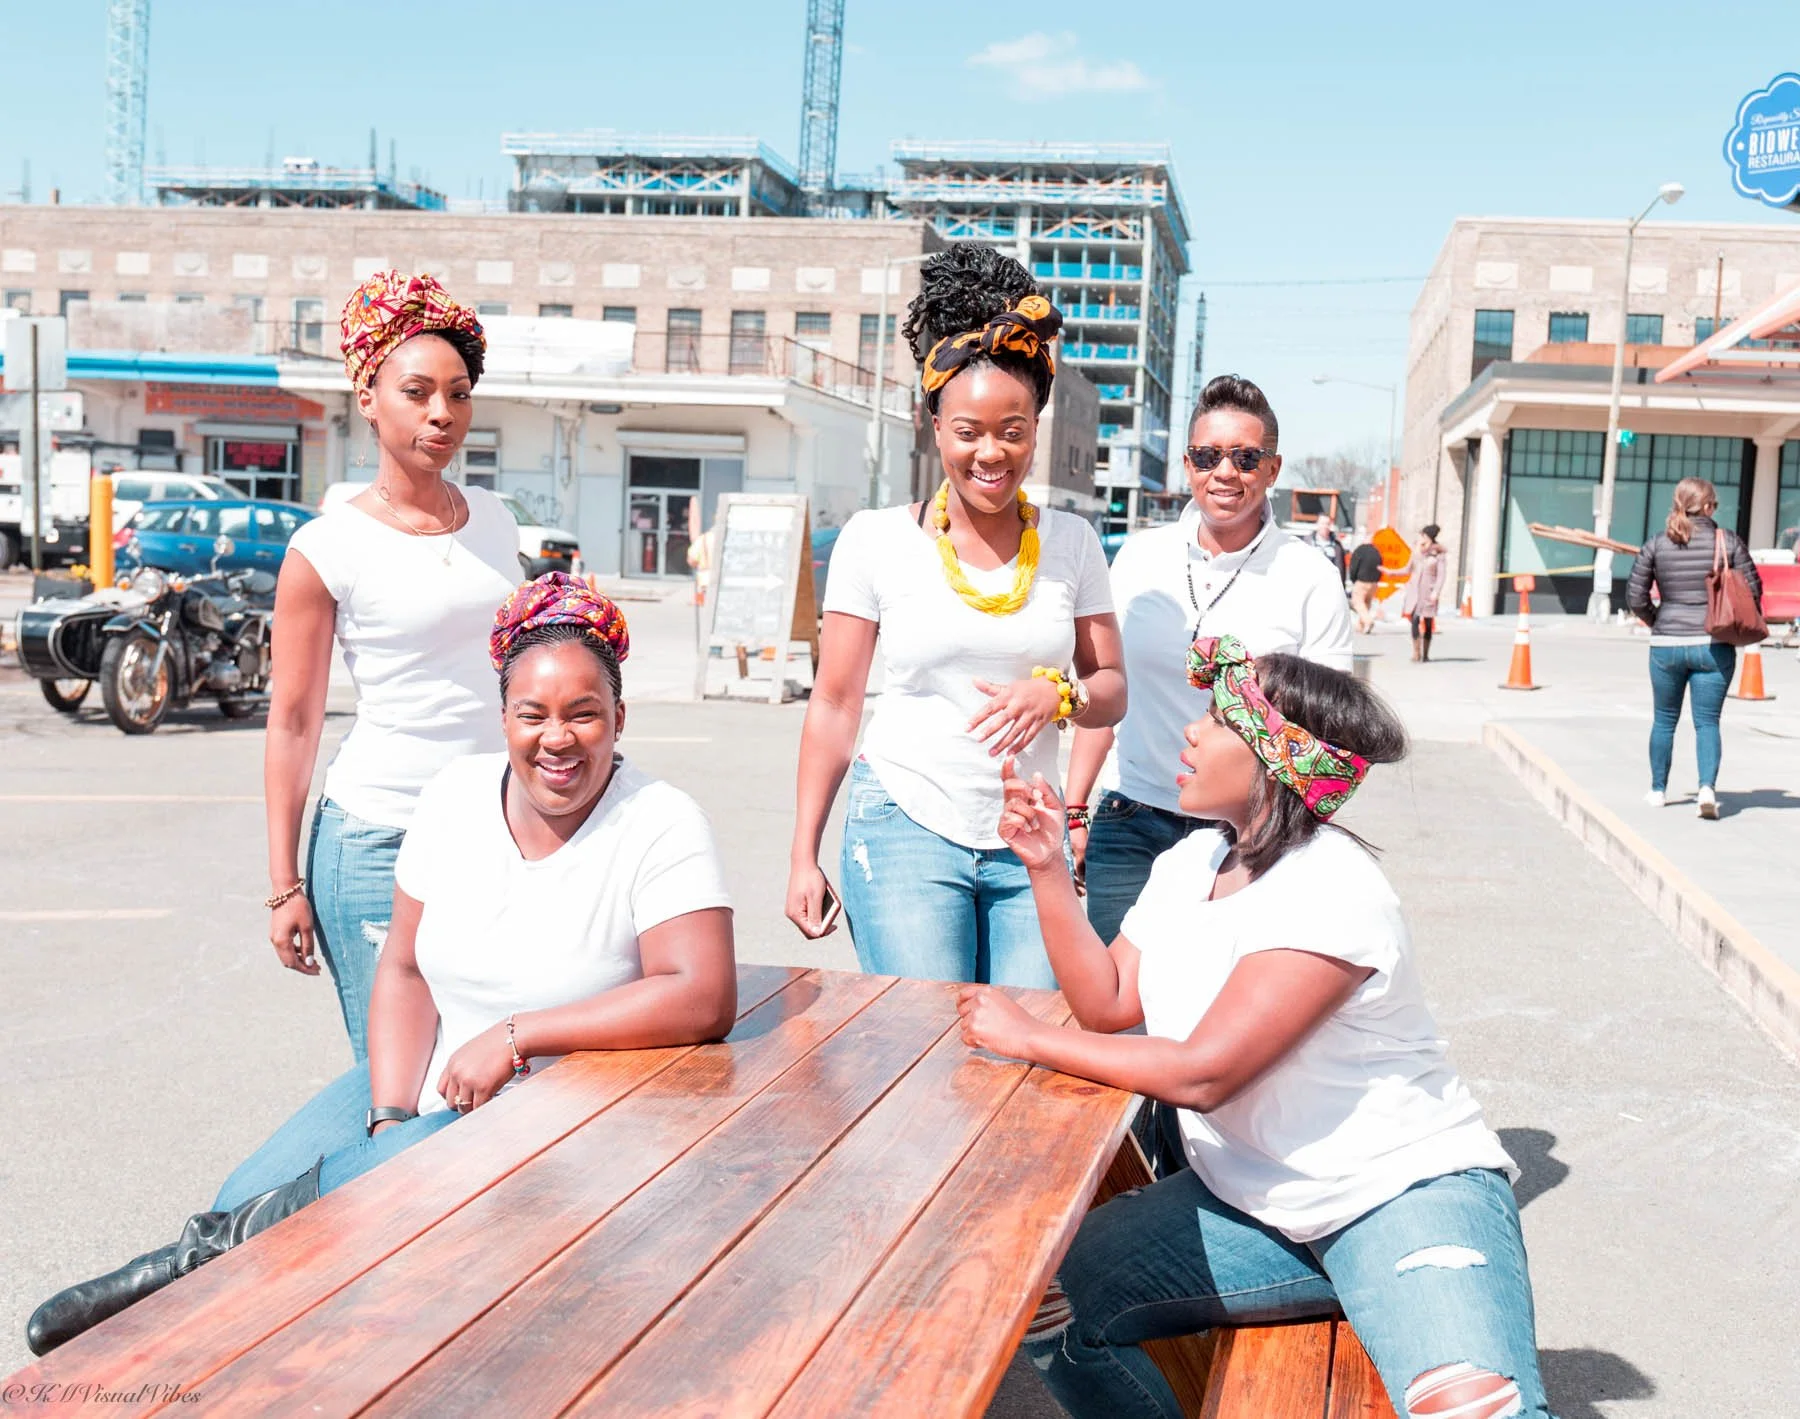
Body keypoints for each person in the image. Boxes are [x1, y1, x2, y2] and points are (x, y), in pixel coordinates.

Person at [27, 575, 738, 1356]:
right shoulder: (454, 796)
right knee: (254, 1196)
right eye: (532, 714)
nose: (557, 738)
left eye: (583, 713)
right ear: (503, 717)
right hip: (433, 1086)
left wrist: (519, 1034)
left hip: (564, 1117)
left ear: (619, 717)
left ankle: (178, 1286)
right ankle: (207, 1264)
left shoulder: (661, 821)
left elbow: (701, 992)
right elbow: (402, 970)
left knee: (301, 1230)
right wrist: (391, 1115)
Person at [956, 637, 1548, 1419]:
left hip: (1399, 1197)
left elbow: (1205, 1073)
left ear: (1277, 758)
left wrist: (1027, 1036)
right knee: (1043, 1292)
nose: (1191, 732)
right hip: (1252, 1207)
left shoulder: (1335, 886)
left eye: (1218, 719)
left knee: (1471, 1407)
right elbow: (1107, 1000)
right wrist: (1043, 868)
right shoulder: (1193, 860)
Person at [784, 243, 1124, 987]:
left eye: (1014, 429)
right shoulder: (875, 541)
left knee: (1025, 1061)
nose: (991, 453)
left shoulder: (1072, 543)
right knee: (924, 1053)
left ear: (1037, 426)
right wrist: (802, 852)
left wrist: (1058, 693)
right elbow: (837, 704)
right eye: (968, 431)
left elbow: (1112, 688)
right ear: (933, 423)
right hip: (904, 822)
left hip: (1029, 833)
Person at [266, 271, 524, 1061]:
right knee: (399, 1079)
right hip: (379, 836)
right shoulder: (325, 548)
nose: (442, 413)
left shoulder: (496, 519)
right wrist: (284, 883)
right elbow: (296, 720)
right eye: (417, 391)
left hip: (498, 830)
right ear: (368, 397)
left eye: (458, 392)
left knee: (495, 1061)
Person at [1064, 374, 1352, 947]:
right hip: (1131, 822)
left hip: (1247, 834)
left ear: (1272, 469)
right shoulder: (1139, 558)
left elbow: (1328, 730)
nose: (1226, 472)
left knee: (1215, 1015)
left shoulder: (1310, 577)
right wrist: (1076, 806)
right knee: (1118, 1009)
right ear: (1187, 463)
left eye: (1246, 458)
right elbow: (1109, 689)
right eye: (1208, 455)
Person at [1627, 477, 1762, 819]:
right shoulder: (1726, 541)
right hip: (1713, 644)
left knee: (1664, 721)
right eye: (1714, 504)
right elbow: (1754, 589)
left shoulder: (1656, 544)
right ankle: (1706, 788)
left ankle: (1658, 790)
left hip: (1666, 645)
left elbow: (1634, 597)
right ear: (1707, 507)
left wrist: (1659, 621)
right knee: (1707, 722)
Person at [1401, 523, 1447, 662]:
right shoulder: (1417, 551)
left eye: (1423, 535)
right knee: (1414, 619)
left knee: (1427, 622)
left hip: (1428, 592)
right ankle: (1416, 652)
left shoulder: (1438, 554)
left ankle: (1426, 653)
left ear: (1429, 537)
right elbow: (1407, 568)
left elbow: (1441, 575)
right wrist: (1389, 572)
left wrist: (1436, 592)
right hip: (1415, 592)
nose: (1421, 538)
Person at [1347, 536, 1384, 633]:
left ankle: (1368, 621)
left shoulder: (1360, 550)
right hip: (1374, 583)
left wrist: (1353, 578)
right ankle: (1361, 626)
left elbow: (1354, 566)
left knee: (1357, 602)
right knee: (1366, 604)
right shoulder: (1377, 552)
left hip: (1362, 581)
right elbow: (1381, 567)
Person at [1306, 514, 1349, 587]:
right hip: (1310, 584)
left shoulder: (1337, 546)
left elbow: (1341, 569)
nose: (1325, 526)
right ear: (1317, 524)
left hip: (1329, 585)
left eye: (1327, 524)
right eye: (1322, 523)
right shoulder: (1307, 542)